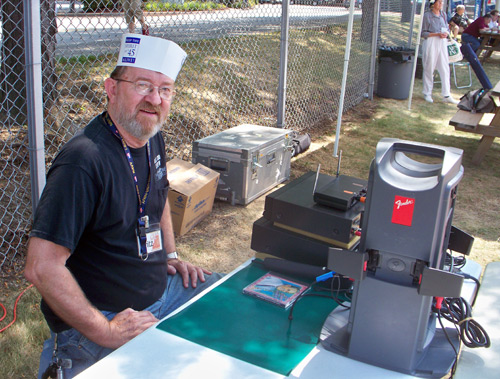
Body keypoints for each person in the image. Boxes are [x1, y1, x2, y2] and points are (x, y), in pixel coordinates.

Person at [25, 34, 223, 378]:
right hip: (103, 321)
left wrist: (171, 257)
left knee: (234, 303)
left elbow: (157, 197)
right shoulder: (83, 162)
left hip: (163, 292)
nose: (154, 99)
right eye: (143, 85)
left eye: (165, 89)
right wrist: (108, 332)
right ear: (111, 89)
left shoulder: (151, 135)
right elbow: (42, 268)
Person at [420, 0, 459, 104]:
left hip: (442, 42)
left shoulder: (443, 14)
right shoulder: (427, 15)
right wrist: (436, 34)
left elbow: (446, 27)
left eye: (442, 2)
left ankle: (446, 94)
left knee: (445, 67)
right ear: (433, 4)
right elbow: (423, 33)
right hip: (431, 42)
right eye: (439, 2)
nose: (441, 4)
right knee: (429, 67)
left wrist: (445, 33)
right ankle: (427, 93)